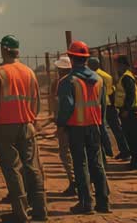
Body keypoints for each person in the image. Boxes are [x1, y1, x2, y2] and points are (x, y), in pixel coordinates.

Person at [0, 35, 48, 222]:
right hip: (27, 125)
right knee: (32, 167)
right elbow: (36, 102)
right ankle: (40, 211)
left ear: (4, 49)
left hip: (5, 127)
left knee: (12, 169)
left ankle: (20, 213)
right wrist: (31, 119)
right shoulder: (29, 72)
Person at [56, 41, 110, 215]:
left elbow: (67, 106)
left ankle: (86, 203)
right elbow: (103, 106)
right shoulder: (100, 80)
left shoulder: (68, 81)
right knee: (97, 164)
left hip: (76, 127)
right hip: (94, 126)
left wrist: (61, 123)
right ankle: (103, 203)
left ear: (71, 58)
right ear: (86, 59)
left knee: (80, 165)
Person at [50, 54, 76, 196]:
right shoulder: (78, 80)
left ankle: (74, 182)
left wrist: (60, 124)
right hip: (80, 123)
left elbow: (64, 105)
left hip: (67, 125)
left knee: (66, 154)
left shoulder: (63, 83)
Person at [112, 55, 137, 167]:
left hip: (129, 111)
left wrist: (126, 109)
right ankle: (135, 160)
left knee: (132, 137)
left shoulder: (127, 77)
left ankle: (136, 162)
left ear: (123, 65)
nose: (116, 66)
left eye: (117, 64)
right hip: (126, 110)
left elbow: (130, 94)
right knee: (130, 136)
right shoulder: (124, 77)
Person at [87, 57, 117, 158]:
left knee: (101, 127)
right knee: (108, 127)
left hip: (99, 103)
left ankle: (107, 150)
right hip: (107, 102)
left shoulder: (94, 75)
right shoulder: (106, 75)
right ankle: (109, 150)